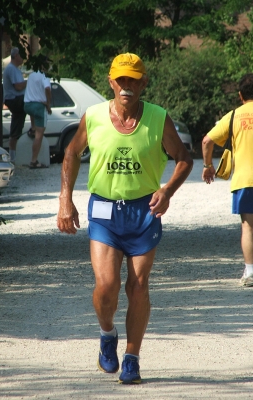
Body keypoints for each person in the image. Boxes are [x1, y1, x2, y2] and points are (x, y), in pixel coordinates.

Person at [57, 53, 193, 384]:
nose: (127, 86)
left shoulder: (159, 119)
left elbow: (184, 159)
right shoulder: (93, 116)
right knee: (107, 286)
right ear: (111, 82)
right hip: (104, 209)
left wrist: (167, 191)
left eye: (134, 80)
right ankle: (107, 334)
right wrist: (65, 200)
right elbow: (72, 152)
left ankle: (131, 357)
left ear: (144, 83)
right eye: (121, 80)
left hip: (143, 212)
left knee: (138, 286)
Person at [202, 73, 253, 287]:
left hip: (244, 179)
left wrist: (208, 166)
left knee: (248, 227)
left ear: (240, 95)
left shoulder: (234, 116)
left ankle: (251, 274)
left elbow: (207, 140)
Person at [24, 58, 52, 169]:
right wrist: (48, 103)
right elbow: (47, 89)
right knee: (39, 136)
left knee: (35, 126)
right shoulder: (44, 76)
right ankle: (34, 161)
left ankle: (33, 128)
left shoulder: (31, 75)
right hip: (39, 106)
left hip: (27, 105)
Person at [3, 47, 27, 163]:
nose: (23, 58)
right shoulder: (12, 69)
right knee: (17, 128)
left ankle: (13, 154)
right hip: (15, 99)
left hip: (14, 99)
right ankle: (13, 156)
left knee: (16, 125)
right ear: (16, 56)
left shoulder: (15, 69)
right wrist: (28, 82)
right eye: (21, 55)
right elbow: (18, 86)